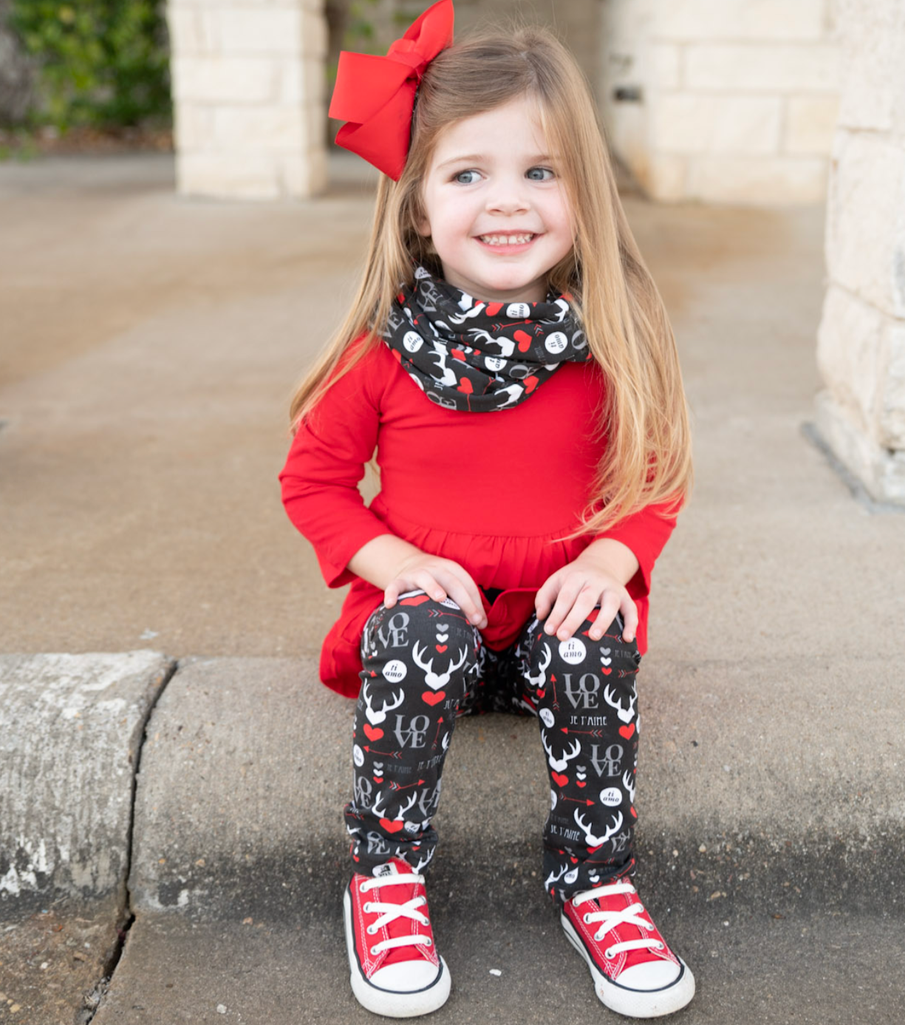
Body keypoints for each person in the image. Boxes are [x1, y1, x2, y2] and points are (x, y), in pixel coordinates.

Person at [279, 0, 695, 1017]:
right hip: (433, 637)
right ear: (419, 206)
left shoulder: (606, 339)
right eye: (468, 174)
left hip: (551, 632)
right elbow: (313, 481)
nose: (506, 201)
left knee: (601, 635)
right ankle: (383, 872)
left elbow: (655, 473)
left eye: (538, 172)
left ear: (582, 193)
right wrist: (389, 565)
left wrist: (609, 563)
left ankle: (594, 876)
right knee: (419, 629)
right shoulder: (383, 353)